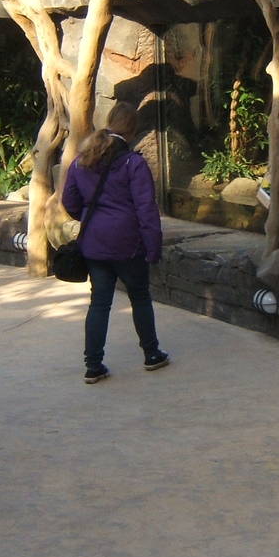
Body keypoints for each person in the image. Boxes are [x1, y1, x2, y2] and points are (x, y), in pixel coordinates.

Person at [61, 100, 169, 384]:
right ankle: (151, 354)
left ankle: (93, 365)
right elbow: (146, 209)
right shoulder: (133, 163)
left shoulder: (82, 159)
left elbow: (70, 202)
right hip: (127, 243)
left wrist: (90, 217)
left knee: (99, 303)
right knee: (140, 297)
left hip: (94, 242)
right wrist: (153, 247)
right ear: (133, 129)